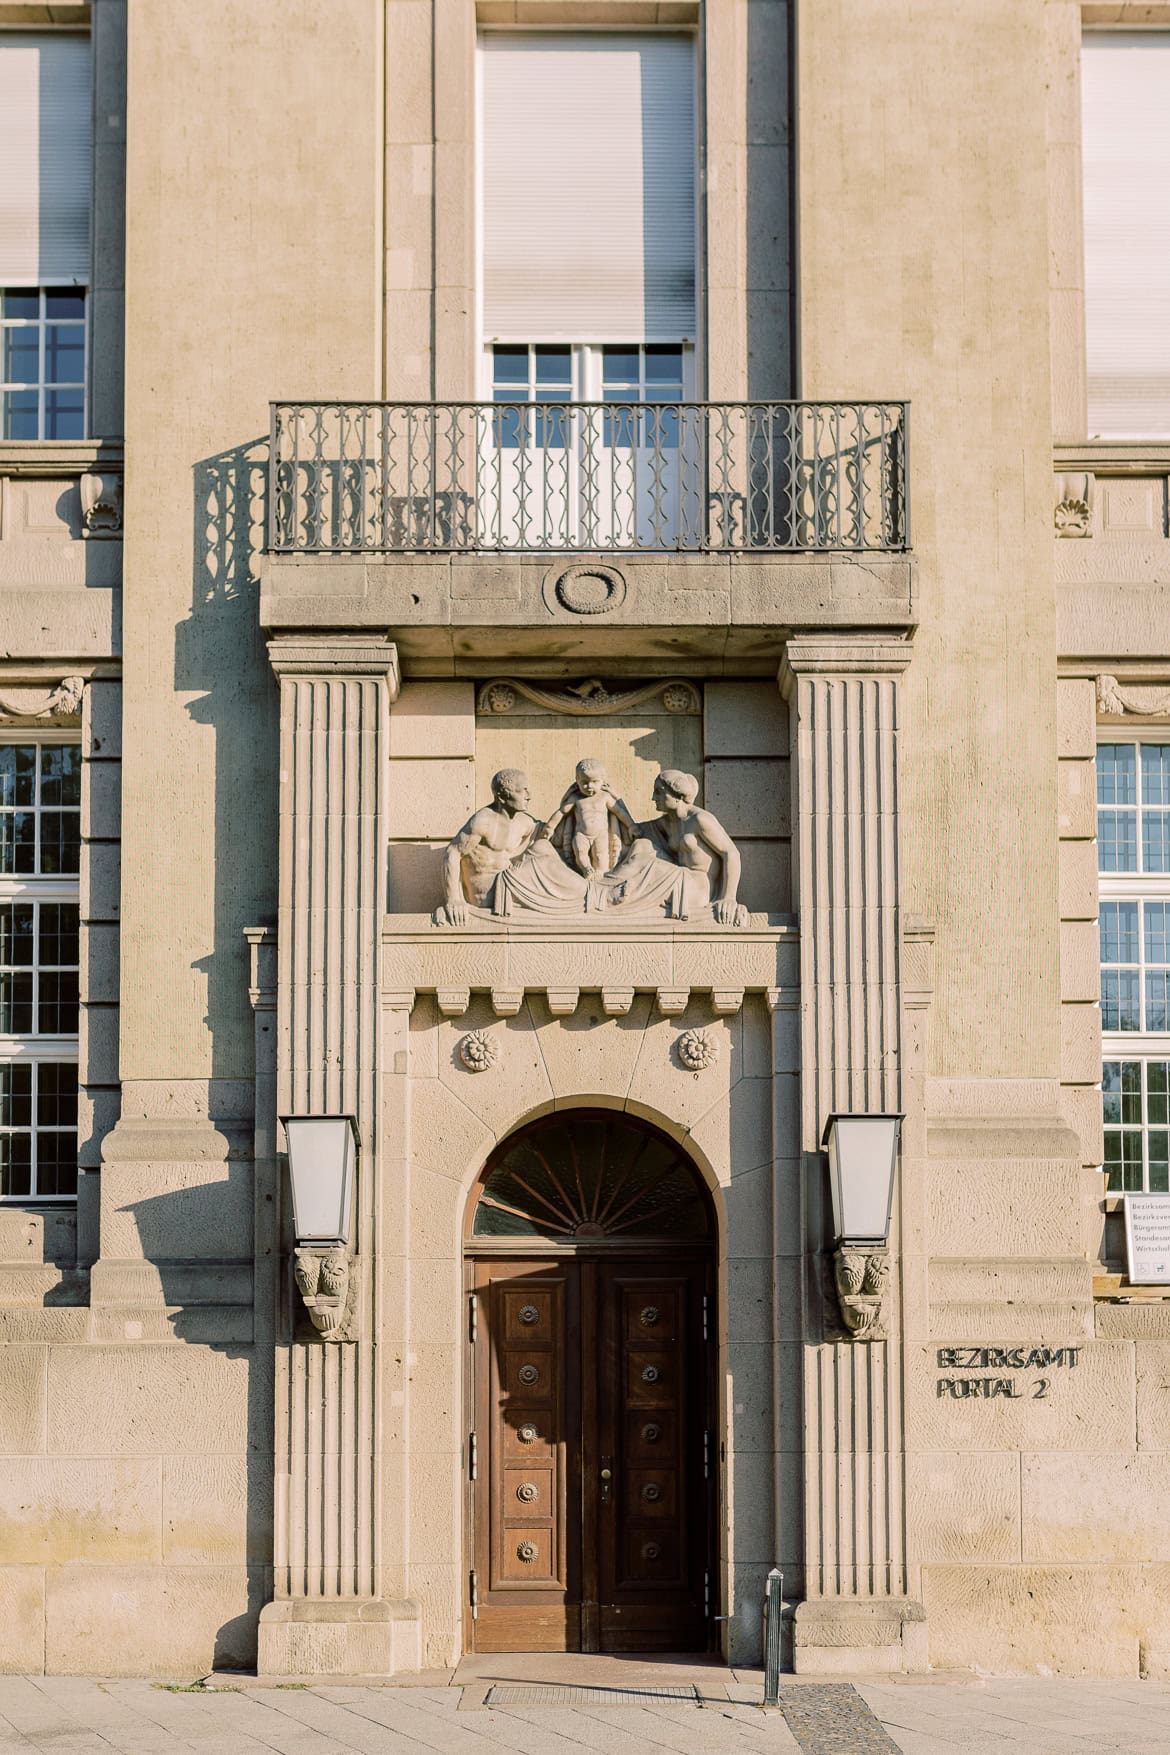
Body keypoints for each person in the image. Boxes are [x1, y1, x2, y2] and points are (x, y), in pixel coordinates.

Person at [611, 768, 747, 926]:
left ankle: (604, 894)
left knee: (648, 865)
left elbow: (731, 853)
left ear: (676, 794)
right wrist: (613, 800)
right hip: (679, 877)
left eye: (659, 792)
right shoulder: (668, 822)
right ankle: (608, 888)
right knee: (642, 845)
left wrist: (728, 897)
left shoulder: (700, 820)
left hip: (698, 888)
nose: (653, 798)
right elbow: (634, 830)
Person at [437, 768, 537, 925]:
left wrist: (575, 801)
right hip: (487, 894)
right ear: (502, 796)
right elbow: (452, 853)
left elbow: (553, 834)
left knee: (545, 850)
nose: (529, 796)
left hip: (513, 886)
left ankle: (580, 897)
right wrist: (454, 899)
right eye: (522, 791)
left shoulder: (526, 822)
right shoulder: (483, 821)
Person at [537, 757, 638, 877]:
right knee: (580, 852)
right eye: (584, 782)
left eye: (594, 782)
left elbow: (620, 812)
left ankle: (601, 876)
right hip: (581, 834)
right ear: (577, 781)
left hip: (601, 834)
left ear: (603, 781)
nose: (589, 786)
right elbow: (562, 812)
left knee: (601, 857)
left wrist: (632, 826)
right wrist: (549, 828)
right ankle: (586, 869)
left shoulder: (604, 797)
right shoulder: (576, 799)